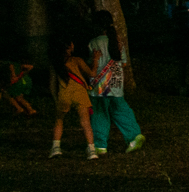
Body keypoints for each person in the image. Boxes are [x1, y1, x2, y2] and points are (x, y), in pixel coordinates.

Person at [88, 10, 145, 155]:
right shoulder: (118, 42)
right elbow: (124, 63)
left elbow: (92, 65)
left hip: (100, 87)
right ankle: (134, 135)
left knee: (100, 113)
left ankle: (100, 145)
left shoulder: (94, 43)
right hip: (116, 84)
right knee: (121, 109)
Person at [48, 36, 99, 159]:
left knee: (59, 120)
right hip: (79, 93)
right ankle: (91, 150)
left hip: (64, 94)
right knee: (86, 122)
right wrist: (96, 59)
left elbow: (51, 85)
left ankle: (56, 148)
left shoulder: (55, 63)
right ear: (70, 47)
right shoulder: (76, 60)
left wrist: (56, 99)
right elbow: (92, 73)